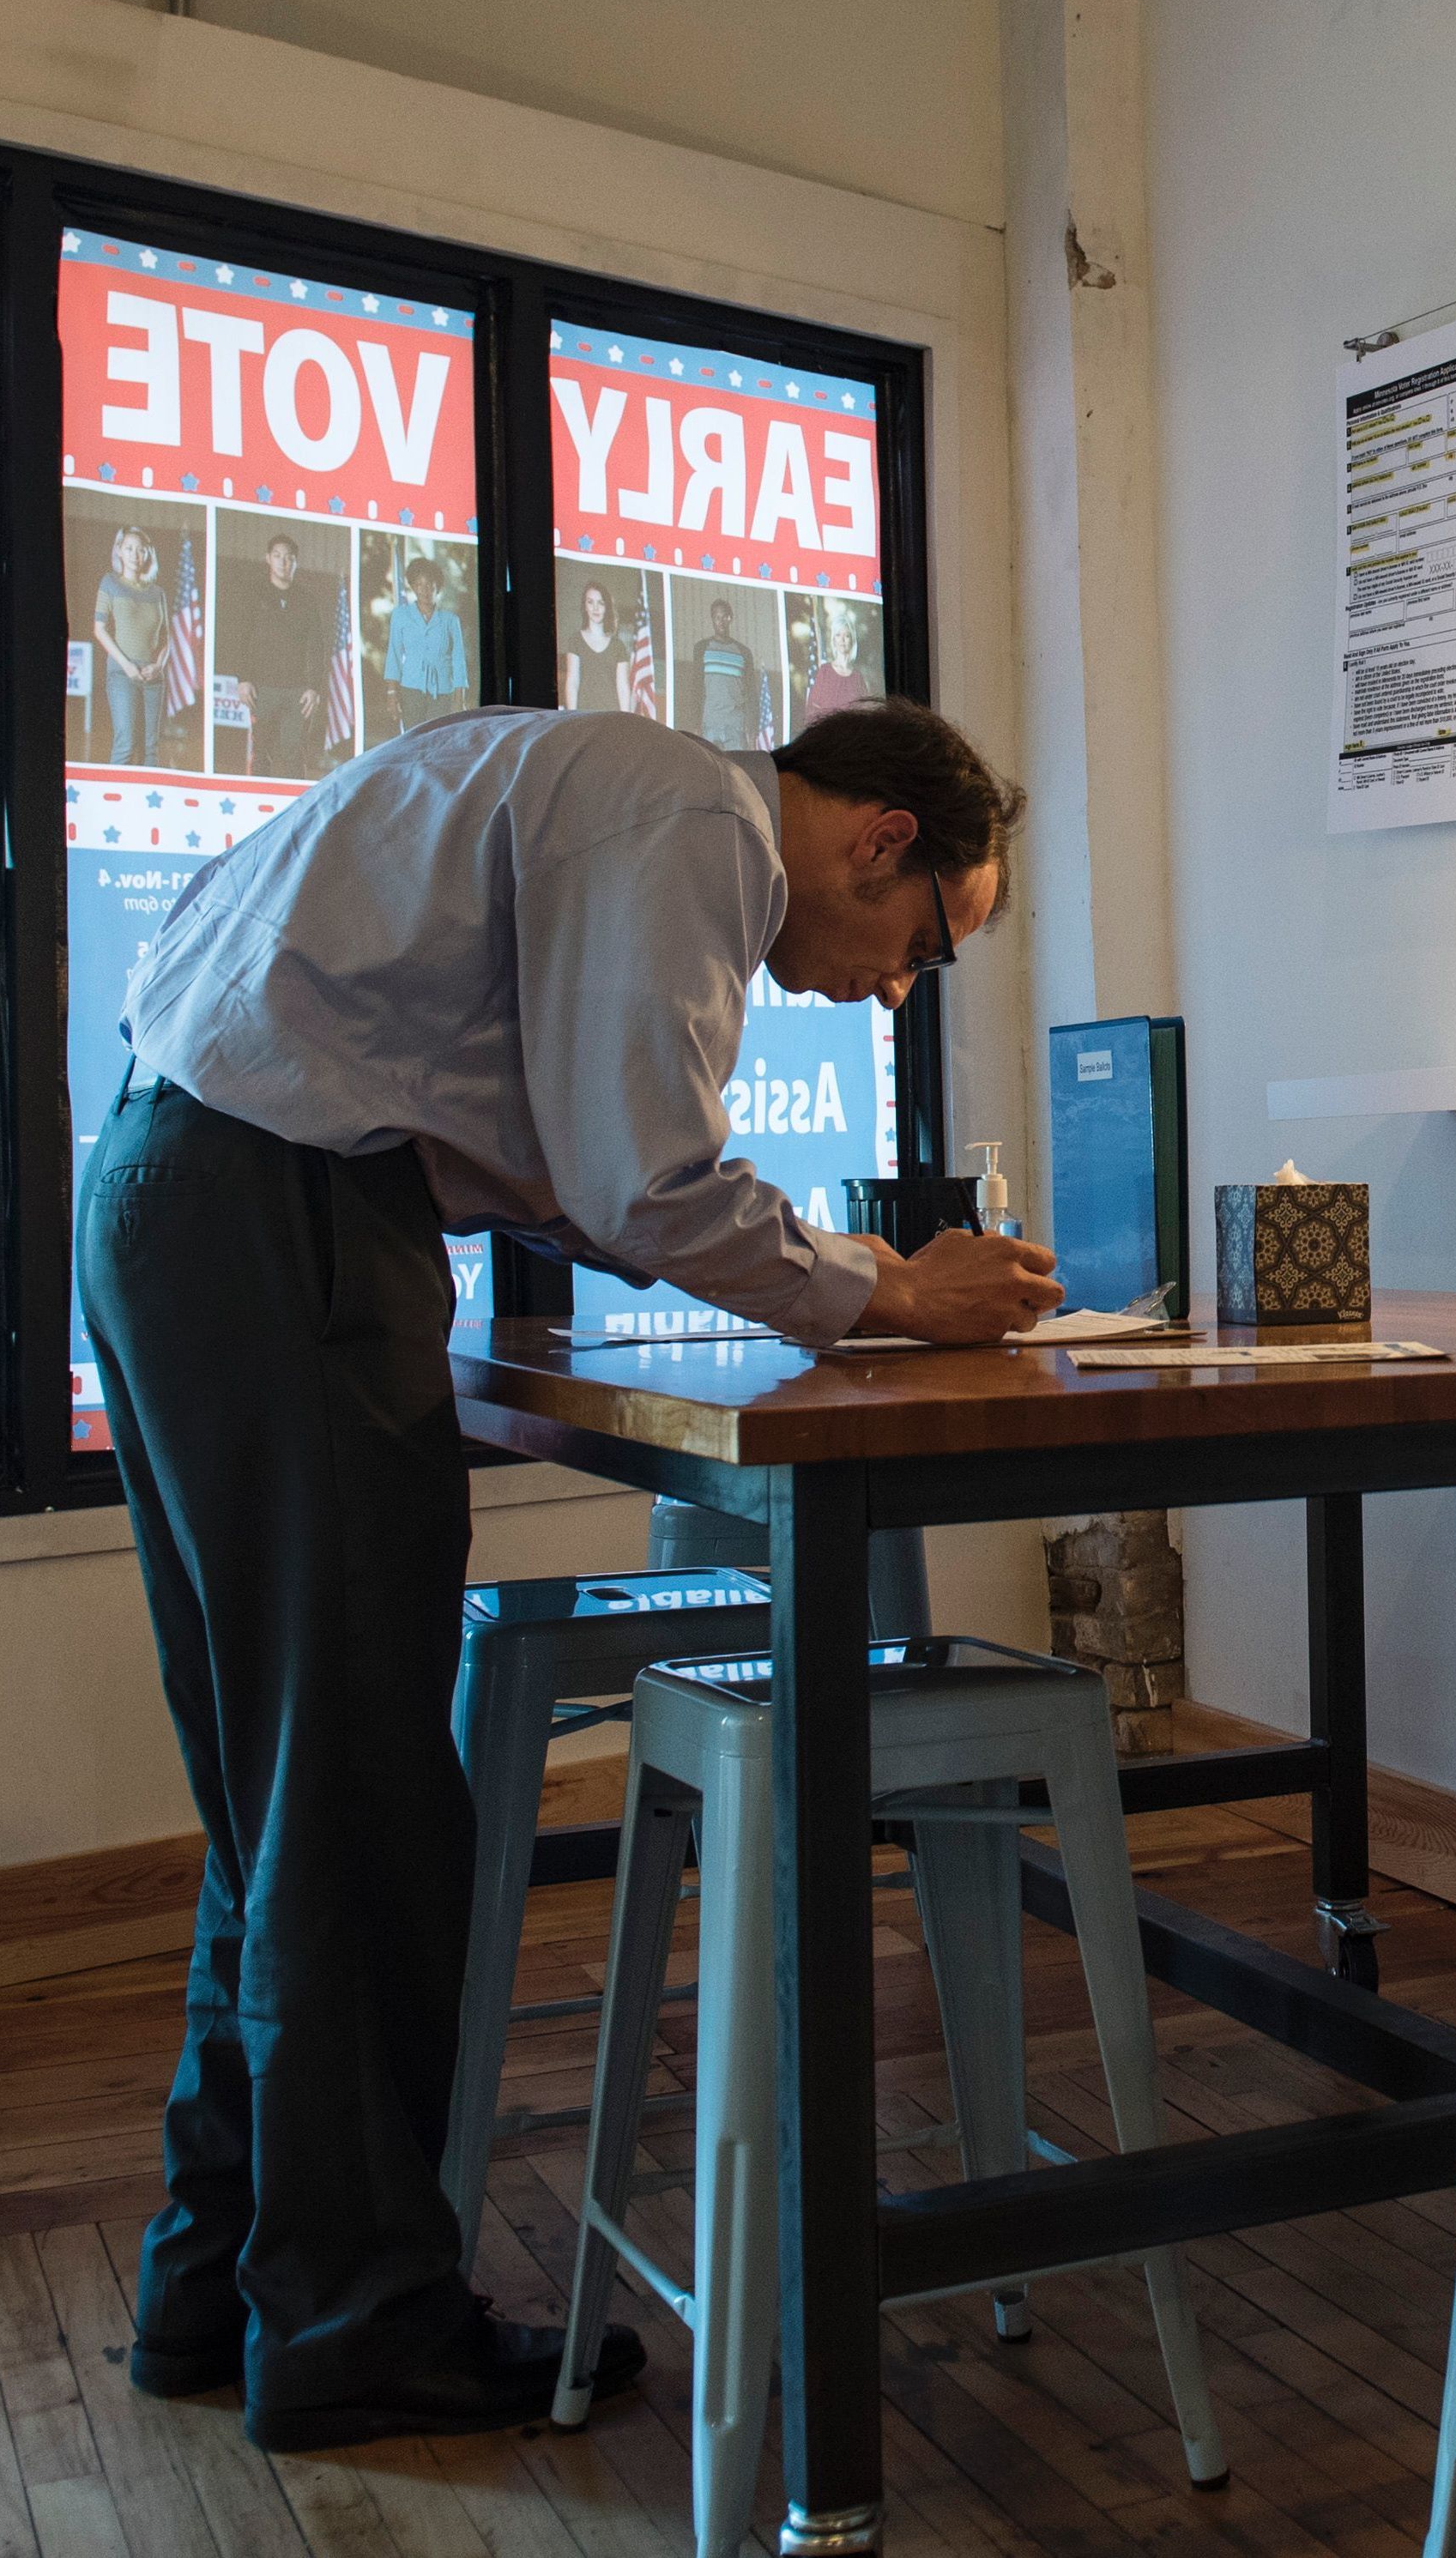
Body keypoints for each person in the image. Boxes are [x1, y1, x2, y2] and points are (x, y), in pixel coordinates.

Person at [76, 694, 1048, 2452]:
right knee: (359, 1791)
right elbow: (644, 1175)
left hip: (169, 1179)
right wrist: (893, 1286)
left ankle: (219, 2275)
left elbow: (578, 1164)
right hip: (283, 1216)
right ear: (875, 837)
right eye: (919, 946)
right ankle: (359, 2321)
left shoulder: (580, 772)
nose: (891, 986)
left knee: (279, 1782)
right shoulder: (693, 821)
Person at [231, 531, 327, 779]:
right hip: (262, 688)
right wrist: (243, 679)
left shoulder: (307, 599)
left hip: (296, 691)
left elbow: (317, 646)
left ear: (296, 562)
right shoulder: (254, 593)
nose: (283, 562)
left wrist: (314, 687)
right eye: (278, 556)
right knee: (261, 752)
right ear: (268, 559)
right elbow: (240, 638)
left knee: (295, 752)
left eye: (289, 558)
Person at [94, 525, 172, 770]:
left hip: (152, 676)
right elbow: (99, 629)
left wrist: (158, 665)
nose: (134, 555)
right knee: (126, 742)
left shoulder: (157, 593)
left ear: (148, 554)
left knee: (150, 747)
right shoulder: (110, 583)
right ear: (119, 551)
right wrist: (126, 666)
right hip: (121, 672)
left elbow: (168, 638)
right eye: (129, 548)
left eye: (140, 550)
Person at [385, 553, 471, 732]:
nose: (424, 590)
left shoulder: (450, 620)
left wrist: (459, 698)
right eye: (418, 585)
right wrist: (392, 693)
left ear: (437, 587)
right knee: (414, 741)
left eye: (429, 585)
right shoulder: (401, 616)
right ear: (413, 587)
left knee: (438, 740)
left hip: (443, 693)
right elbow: (393, 655)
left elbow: (458, 660)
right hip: (411, 691)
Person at [692, 596, 757, 748]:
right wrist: (696, 724)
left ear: (730, 618)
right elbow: (696, 688)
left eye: (724, 617)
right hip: (710, 723)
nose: (721, 621)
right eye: (717, 617)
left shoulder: (743, 652)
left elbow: (750, 692)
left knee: (734, 769)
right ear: (712, 619)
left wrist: (751, 727)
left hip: (735, 725)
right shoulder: (702, 648)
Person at [559, 578, 614, 710]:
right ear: (585, 606)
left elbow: (623, 687)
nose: (595, 608)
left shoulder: (617, 646)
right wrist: (573, 715)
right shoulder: (575, 641)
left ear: (606, 607)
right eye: (590, 602)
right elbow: (572, 682)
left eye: (600, 603)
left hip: (612, 714)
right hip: (586, 713)